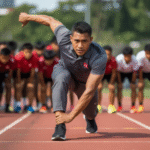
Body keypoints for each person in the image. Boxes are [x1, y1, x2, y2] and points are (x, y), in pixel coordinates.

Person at [19, 12, 107, 141]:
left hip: (85, 83)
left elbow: (89, 91)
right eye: (76, 41)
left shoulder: (99, 56)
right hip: (65, 72)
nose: (80, 46)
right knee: (61, 78)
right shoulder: (63, 36)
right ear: (71, 38)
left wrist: (71, 116)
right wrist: (28, 17)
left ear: (91, 40)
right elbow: (50, 20)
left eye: (84, 41)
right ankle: (60, 126)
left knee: (90, 112)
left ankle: (90, 119)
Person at [15, 43, 38, 113]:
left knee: (30, 87)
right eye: (26, 52)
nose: (28, 54)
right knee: (19, 87)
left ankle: (29, 106)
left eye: (30, 52)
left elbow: (33, 72)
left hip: (29, 74)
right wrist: (19, 81)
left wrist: (30, 82)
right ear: (23, 52)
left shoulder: (34, 57)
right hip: (20, 74)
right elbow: (18, 72)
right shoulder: (18, 57)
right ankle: (18, 105)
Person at [116, 46, 139, 113]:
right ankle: (119, 106)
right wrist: (120, 82)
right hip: (121, 73)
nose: (127, 58)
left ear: (131, 55)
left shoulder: (135, 60)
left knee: (133, 88)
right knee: (119, 87)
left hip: (131, 73)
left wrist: (132, 82)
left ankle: (133, 106)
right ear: (123, 55)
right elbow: (117, 72)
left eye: (129, 56)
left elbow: (135, 72)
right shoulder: (119, 59)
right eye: (125, 56)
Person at [97, 45, 117, 114]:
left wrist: (111, 83)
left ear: (111, 54)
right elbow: (98, 72)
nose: (107, 56)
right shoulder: (99, 60)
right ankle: (98, 105)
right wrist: (99, 83)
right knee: (99, 87)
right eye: (105, 54)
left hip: (110, 74)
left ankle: (111, 106)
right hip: (101, 74)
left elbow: (114, 73)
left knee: (112, 88)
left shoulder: (113, 60)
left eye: (109, 54)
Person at [0, 48, 15, 112]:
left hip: (6, 73)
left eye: (6, 58)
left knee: (8, 87)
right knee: (0, 89)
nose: (5, 60)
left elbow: (10, 73)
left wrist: (8, 81)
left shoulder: (11, 60)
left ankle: (7, 106)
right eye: (3, 58)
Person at [136, 44, 150, 113]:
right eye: (147, 53)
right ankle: (141, 105)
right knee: (140, 86)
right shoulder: (140, 56)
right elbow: (140, 69)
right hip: (143, 71)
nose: (149, 56)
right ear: (145, 52)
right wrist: (141, 80)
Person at [32, 42, 45, 111]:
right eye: (38, 50)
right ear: (35, 49)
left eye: (41, 50)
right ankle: (37, 103)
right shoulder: (33, 55)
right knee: (34, 89)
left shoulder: (44, 55)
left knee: (41, 89)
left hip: (42, 74)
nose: (40, 51)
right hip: (33, 74)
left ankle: (42, 104)